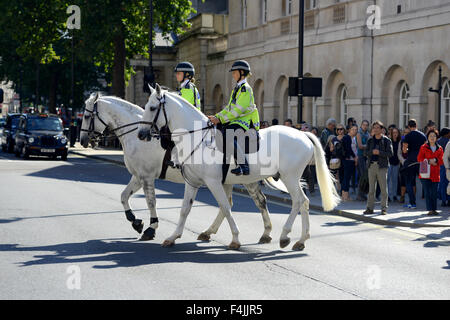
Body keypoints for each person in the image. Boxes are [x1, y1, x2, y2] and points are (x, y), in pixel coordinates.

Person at [208, 60, 259, 176]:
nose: (233, 74)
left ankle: (244, 166)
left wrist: (220, 119)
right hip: (235, 121)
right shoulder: (237, 89)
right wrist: (215, 117)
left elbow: (237, 111)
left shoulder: (246, 89)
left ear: (242, 72)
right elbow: (228, 109)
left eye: (235, 72)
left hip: (244, 122)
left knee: (227, 135)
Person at [363, 121, 393, 215]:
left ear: (381, 129)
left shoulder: (386, 140)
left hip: (382, 167)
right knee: (371, 189)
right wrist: (372, 152)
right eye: (374, 128)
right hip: (371, 166)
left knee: (384, 189)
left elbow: (390, 154)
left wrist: (379, 152)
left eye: (377, 128)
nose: (375, 129)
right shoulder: (370, 140)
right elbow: (365, 153)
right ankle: (369, 208)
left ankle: (384, 208)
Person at [417, 129, 444, 215]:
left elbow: (442, 160)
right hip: (425, 174)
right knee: (428, 192)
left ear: (437, 138)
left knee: (434, 192)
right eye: (430, 136)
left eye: (434, 136)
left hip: (435, 173)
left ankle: (434, 209)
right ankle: (430, 209)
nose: (432, 138)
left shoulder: (440, 148)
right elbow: (419, 158)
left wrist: (436, 160)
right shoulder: (423, 147)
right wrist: (428, 161)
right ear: (427, 137)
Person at [402, 119, 427, 208]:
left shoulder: (407, 136)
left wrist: (408, 150)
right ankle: (429, 202)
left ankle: (412, 203)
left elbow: (404, 150)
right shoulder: (423, 135)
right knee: (424, 181)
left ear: (409, 127)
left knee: (409, 182)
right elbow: (425, 149)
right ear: (416, 125)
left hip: (411, 161)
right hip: (421, 161)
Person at [341, 124, 358, 201]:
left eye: (356, 130)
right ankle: (345, 196)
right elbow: (349, 149)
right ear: (349, 130)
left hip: (348, 160)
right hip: (348, 160)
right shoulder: (347, 137)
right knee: (346, 178)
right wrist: (355, 157)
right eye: (353, 129)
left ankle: (345, 196)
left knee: (346, 178)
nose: (354, 131)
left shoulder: (350, 138)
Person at [356, 120, 370, 201]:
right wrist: (368, 146)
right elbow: (360, 146)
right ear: (361, 125)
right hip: (361, 156)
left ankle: (363, 193)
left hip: (366, 156)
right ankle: (359, 194)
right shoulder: (359, 133)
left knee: (365, 176)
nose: (365, 126)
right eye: (363, 125)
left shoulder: (367, 134)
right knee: (362, 176)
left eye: (366, 125)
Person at [437, 127, 450, 206]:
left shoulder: (438, 141)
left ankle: (443, 200)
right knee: (448, 182)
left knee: (442, 182)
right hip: (447, 164)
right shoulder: (448, 141)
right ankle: (448, 199)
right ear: (446, 134)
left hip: (441, 164)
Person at [388, 127, 402, 202]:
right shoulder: (389, 141)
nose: (395, 134)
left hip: (396, 162)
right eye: (393, 132)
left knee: (395, 180)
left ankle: (394, 195)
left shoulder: (400, 141)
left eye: (396, 132)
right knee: (388, 180)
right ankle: (388, 195)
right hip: (389, 162)